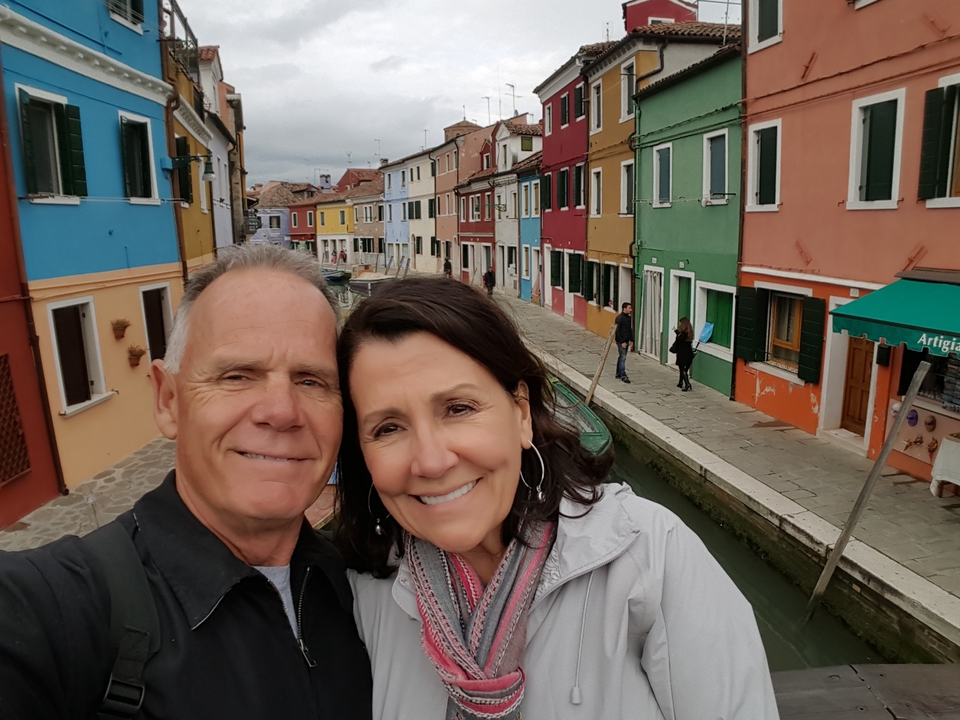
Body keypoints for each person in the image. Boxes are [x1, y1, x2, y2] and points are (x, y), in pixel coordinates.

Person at [334, 277, 779, 720]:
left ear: (521, 413)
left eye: (459, 408)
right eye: (388, 428)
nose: (431, 462)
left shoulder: (650, 556)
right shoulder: (363, 595)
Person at [0, 245, 372, 719]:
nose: (281, 411)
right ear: (168, 401)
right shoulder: (51, 606)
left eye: (311, 381)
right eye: (237, 376)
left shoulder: (359, 586)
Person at [671, 317, 695, 392]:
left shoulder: (684, 333)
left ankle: (687, 384)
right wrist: (676, 331)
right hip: (689, 353)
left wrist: (677, 332)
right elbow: (680, 337)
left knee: (682, 369)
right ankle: (680, 382)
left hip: (682, 354)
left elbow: (679, 338)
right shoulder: (689, 333)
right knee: (684, 369)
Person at [614, 301, 634, 383]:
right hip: (621, 341)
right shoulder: (620, 318)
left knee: (621, 357)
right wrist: (622, 342)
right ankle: (623, 375)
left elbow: (629, 330)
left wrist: (632, 340)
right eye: (629, 308)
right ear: (624, 309)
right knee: (623, 357)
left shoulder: (628, 318)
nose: (631, 310)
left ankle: (618, 373)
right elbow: (617, 331)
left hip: (626, 340)